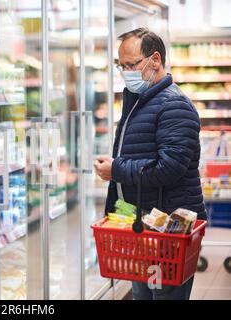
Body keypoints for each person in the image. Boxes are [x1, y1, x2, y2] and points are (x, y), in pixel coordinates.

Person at [94, 27, 206, 300]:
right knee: (144, 294)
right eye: (121, 66)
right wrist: (116, 164)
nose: (126, 71)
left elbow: (169, 168)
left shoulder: (173, 105)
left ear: (155, 60)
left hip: (169, 230)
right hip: (146, 225)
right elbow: (144, 155)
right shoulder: (142, 101)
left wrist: (117, 169)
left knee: (163, 294)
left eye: (132, 64)